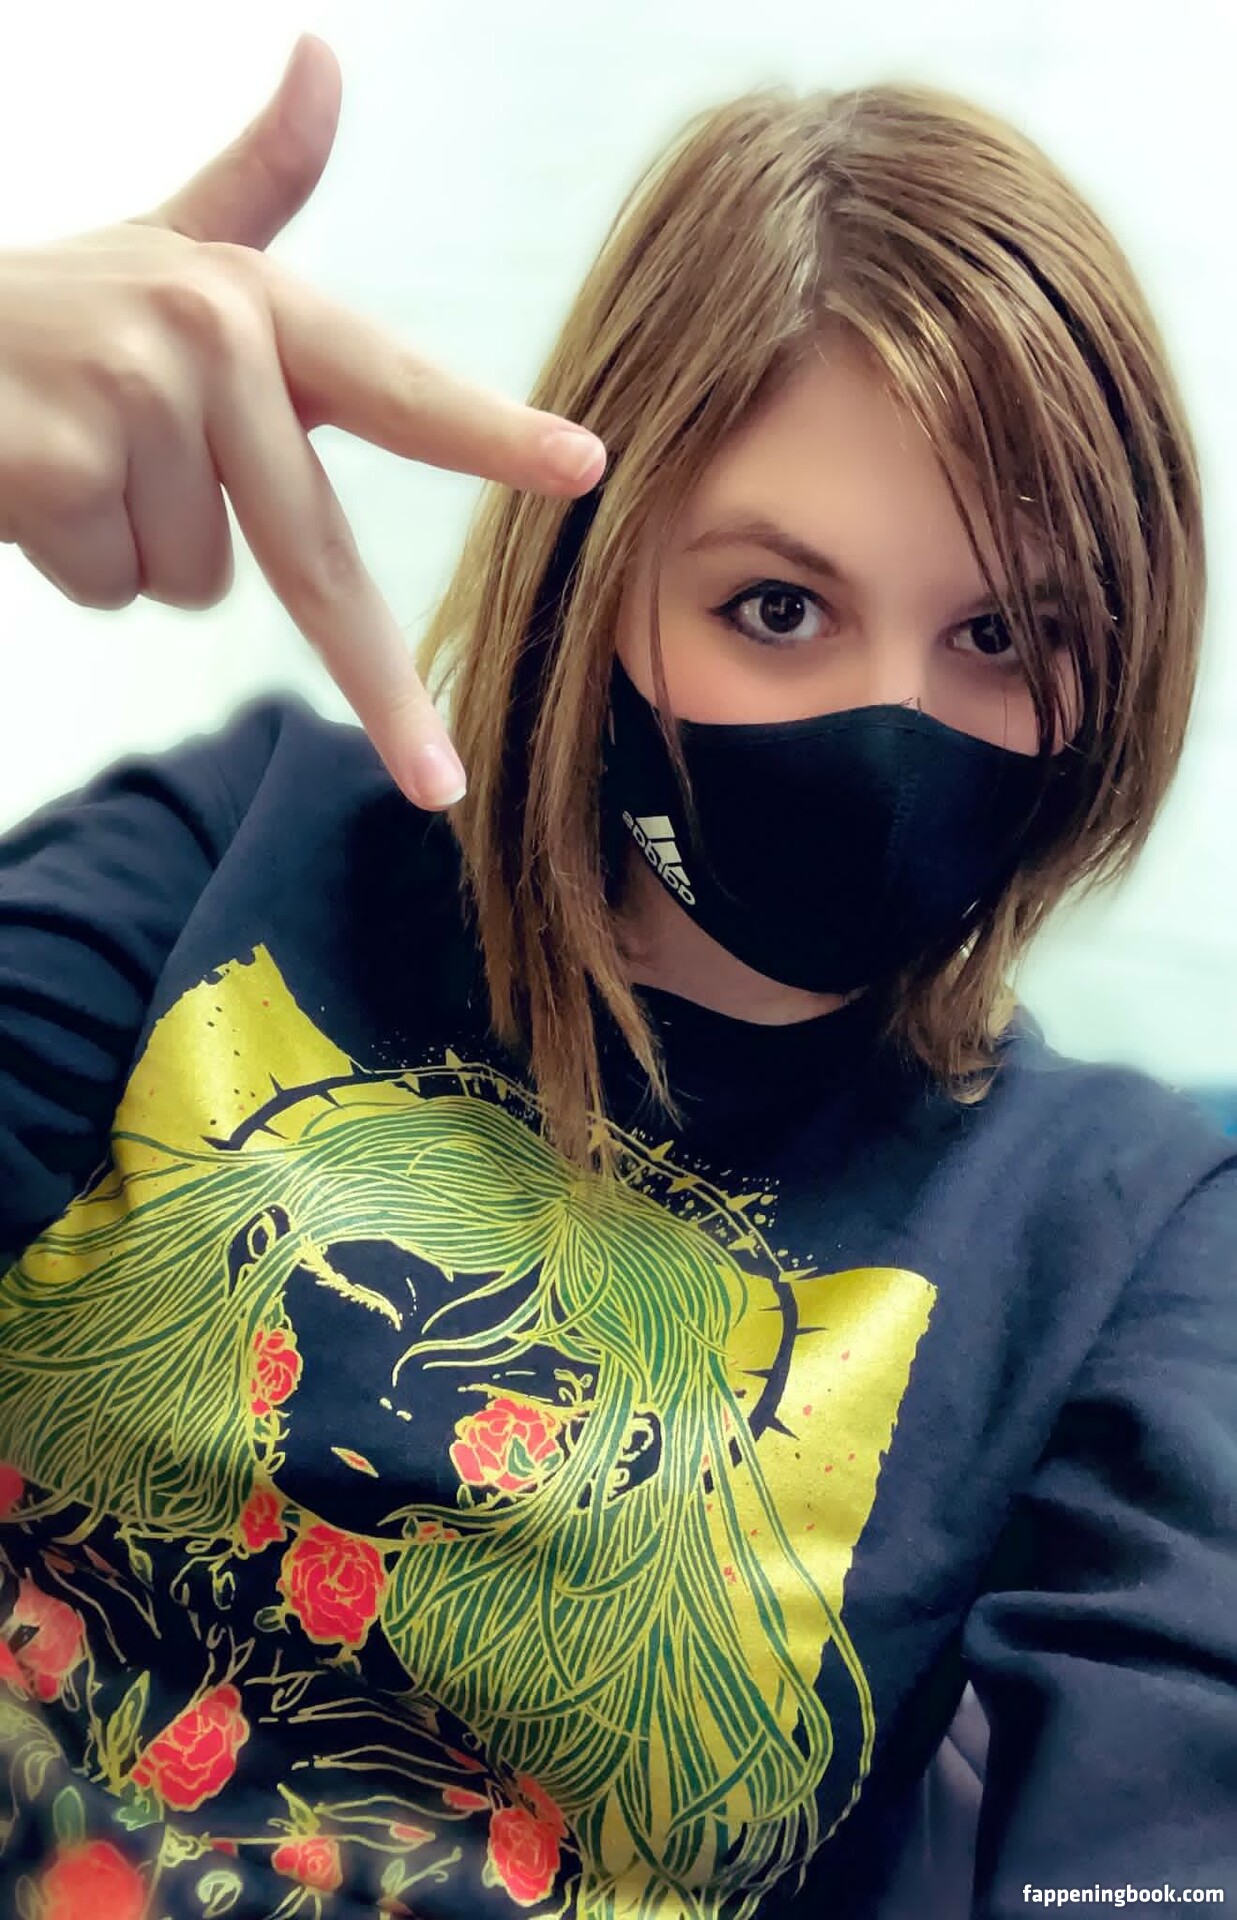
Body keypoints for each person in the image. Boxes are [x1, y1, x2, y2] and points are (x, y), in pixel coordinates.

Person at [0, 29, 1232, 1920]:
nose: (887, 732)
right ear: (598, 575)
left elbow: (1153, 1831)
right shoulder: (235, 856)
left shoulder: (1124, 1229)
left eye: (1002, 634)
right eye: (775, 606)